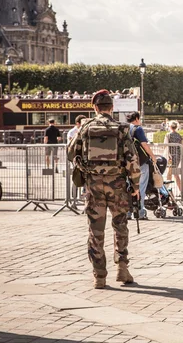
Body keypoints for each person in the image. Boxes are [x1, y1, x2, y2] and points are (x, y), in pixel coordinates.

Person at [67, 90, 141, 289]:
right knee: (120, 227)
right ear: (112, 107)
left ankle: (99, 276)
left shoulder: (85, 127)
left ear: (94, 108)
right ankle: (122, 268)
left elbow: (70, 153)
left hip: (93, 186)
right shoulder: (121, 128)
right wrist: (135, 185)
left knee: (95, 230)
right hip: (117, 185)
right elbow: (132, 160)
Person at [127, 111, 156, 221]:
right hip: (140, 163)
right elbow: (144, 145)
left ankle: (128, 212)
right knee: (141, 187)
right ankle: (140, 212)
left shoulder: (124, 129)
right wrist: (153, 156)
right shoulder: (137, 129)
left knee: (128, 187)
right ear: (137, 118)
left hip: (127, 163)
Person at [164, 121, 183, 193]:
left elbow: (165, 146)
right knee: (173, 173)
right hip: (177, 156)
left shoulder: (168, 135)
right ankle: (180, 190)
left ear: (170, 127)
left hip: (170, 156)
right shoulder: (179, 136)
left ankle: (167, 191)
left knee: (171, 173)